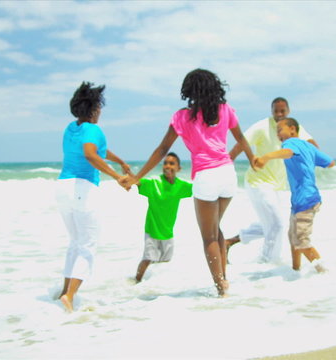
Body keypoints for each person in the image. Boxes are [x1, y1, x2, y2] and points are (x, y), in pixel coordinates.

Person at [121, 68, 256, 297]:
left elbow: (163, 149)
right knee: (216, 228)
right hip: (227, 174)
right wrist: (253, 159)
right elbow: (241, 139)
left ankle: (221, 287)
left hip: (206, 177)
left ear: (190, 91)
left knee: (209, 236)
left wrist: (137, 177)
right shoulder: (225, 110)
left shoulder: (183, 116)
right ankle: (225, 280)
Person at [55, 81, 131, 312]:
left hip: (62, 188)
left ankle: (63, 291)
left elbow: (99, 150)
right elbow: (90, 153)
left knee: (75, 243)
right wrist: (117, 176)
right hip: (82, 189)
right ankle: (69, 296)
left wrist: (120, 161)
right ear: (93, 108)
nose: (100, 111)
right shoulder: (93, 129)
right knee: (87, 245)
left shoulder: (71, 128)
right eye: (99, 106)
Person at [226, 97, 319, 263]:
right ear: (272, 111)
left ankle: (230, 242)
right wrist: (232, 161)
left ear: (288, 111)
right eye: (276, 111)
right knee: (276, 225)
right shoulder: (262, 126)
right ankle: (266, 264)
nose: (279, 114)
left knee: (272, 223)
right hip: (258, 183)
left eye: (282, 111)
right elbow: (242, 142)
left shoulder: (293, 128)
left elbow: (312, 144)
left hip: (276, 186)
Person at [254, 117, 335, 272]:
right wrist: (310, 158)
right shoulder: (309, 147)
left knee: (301, 240)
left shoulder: (290, 143)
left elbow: (288, 152)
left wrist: (265, 157)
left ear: (292, 129)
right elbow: (330, 162)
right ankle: (295, 271)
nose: (278, 134)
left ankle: (323, 271)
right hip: (302, 200)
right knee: (293, 237)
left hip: (305, 199)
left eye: (280, 130)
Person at [133, 152, 193, 282]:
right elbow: (136, 182)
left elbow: (200, 189)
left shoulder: (182, 186)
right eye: (165, 163)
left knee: (165, 261)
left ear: (179, 168)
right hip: (152, 229)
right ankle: (136, 281)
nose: (167, 166)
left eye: (172, 163)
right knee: (148, 258)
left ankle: (154, 284)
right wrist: (127, 175)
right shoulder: (154, 182)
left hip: (168, 232)